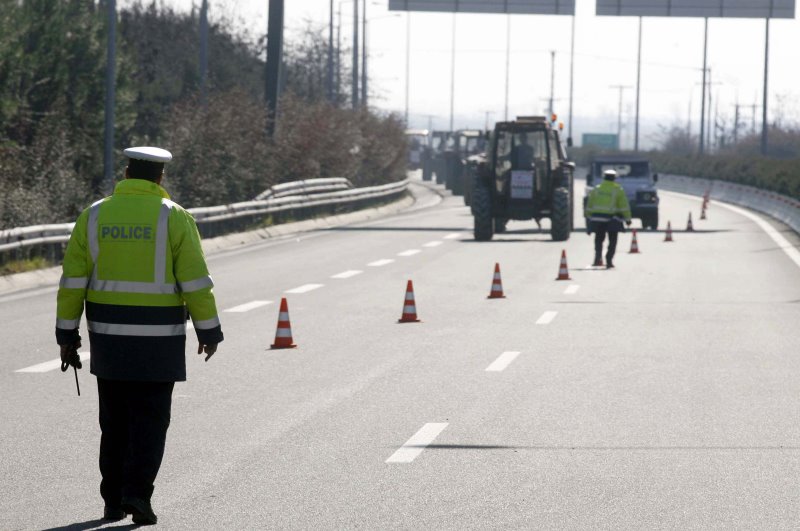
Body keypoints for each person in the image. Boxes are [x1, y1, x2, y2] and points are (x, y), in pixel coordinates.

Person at [55, 146, 224, 525]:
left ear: (127, 172)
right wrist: (208, 329)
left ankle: (112, 500)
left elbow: (72, 281)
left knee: (113, 423)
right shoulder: (174, 217)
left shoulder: (94, 215)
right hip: (158, 343)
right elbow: (196, 280)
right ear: (160, 177)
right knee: (150, 423)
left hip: (109, 339)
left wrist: (66, 333)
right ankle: (138, 495)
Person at [585, 169, 632, 268]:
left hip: (598, 218)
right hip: (612, 219)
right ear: (614, 179)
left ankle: (597, 258)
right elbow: (624, 205)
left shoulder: (597, 189)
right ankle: (609, 260)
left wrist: (588, 217)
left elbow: (590, 204)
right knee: (613, 240)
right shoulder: (618, 189)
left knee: (598, 239)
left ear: (604, 177)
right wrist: (627, 219)